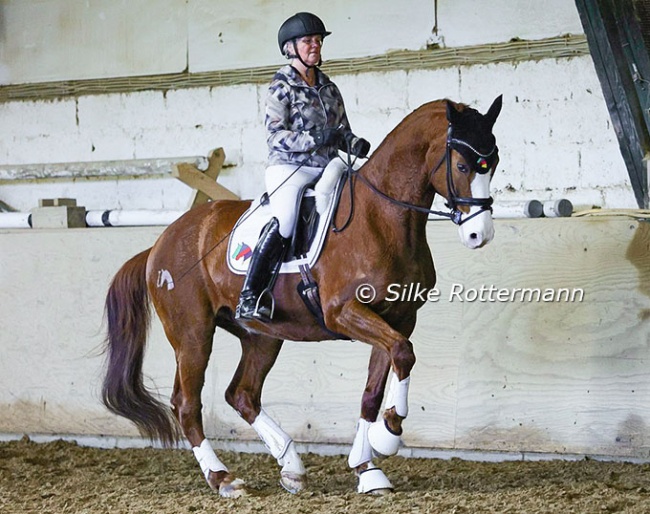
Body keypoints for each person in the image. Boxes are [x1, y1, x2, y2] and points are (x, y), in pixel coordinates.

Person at [235, 12, 371, 321]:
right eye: (308, 41)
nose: (315, 46)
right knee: (285, 219)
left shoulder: (330, 88)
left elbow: (341, 130)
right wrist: (314, 138)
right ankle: (250, 296)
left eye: (318, 40)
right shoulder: (281, 87)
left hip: (327, 167)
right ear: (290, 48)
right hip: (289, 168)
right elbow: (275, 137)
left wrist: (353, 143)